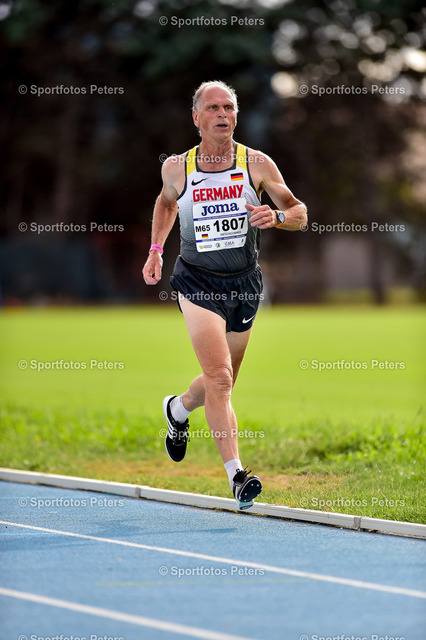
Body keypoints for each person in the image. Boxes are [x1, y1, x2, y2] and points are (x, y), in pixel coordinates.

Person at [142, 80, 307, 510]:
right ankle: (237, 475)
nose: (222, 114)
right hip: (197, 282)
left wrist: (277, 217)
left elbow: (299, 212)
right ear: (196, 118)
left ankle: (178, 410)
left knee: (224, 380)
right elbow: (166, 204)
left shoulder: (257, 163)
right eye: (213, 107)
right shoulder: (177, 167)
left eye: (229, 107)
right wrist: (156, 250)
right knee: (219, 378)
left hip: (244, 283)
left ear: (236, 115)